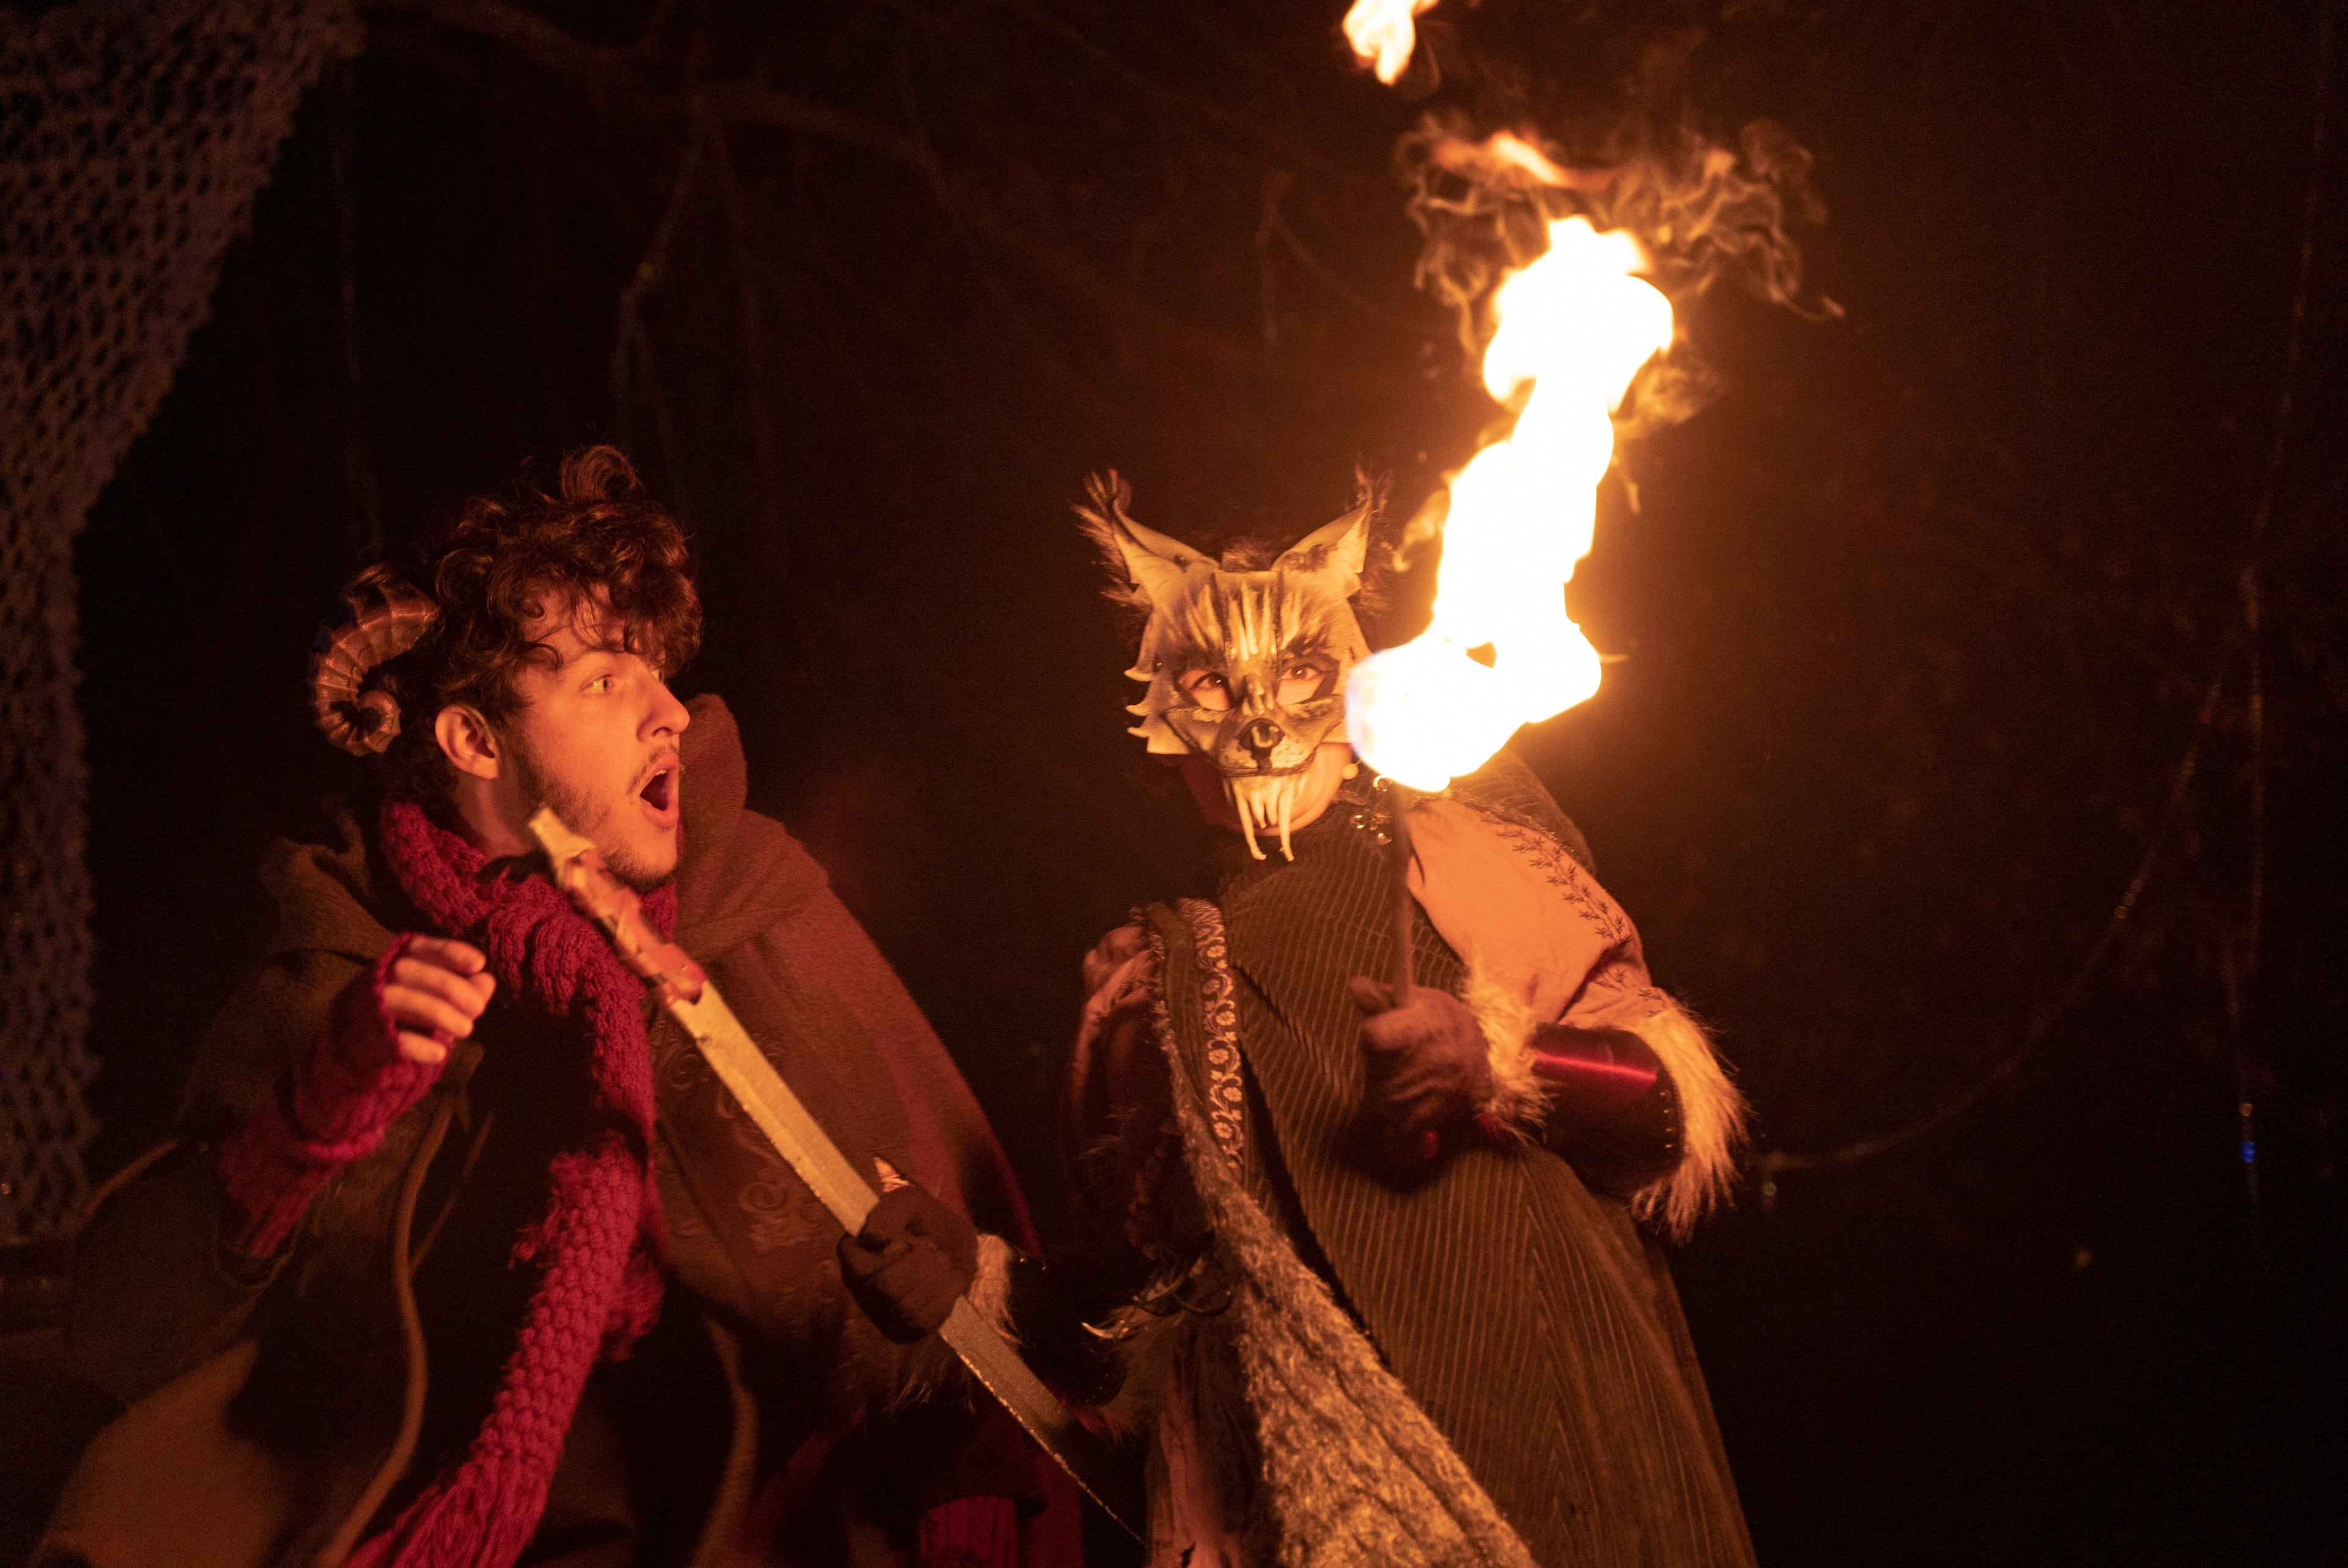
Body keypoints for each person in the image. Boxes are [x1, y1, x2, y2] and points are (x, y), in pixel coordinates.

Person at [41, 449, 1079, 1568]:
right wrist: (307, 1119)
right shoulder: (352, 969)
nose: (669, 713)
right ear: (474, 741)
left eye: (657, 673)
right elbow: (131, 1341)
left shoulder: (754, 904)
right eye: (603, 680)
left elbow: (967, 1264)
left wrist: (945, 1303)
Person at [1050, 473, 1757, 1567]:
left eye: (1298, 668)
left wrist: (1501, 1063)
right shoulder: (1152, 981)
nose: (1259, 717)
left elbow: (1673, 1109)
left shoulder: (1472, 849)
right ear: (1160, 704)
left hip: (1570, 1437)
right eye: (1212, 679)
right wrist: (969, 1286)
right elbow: (1130, 1319)